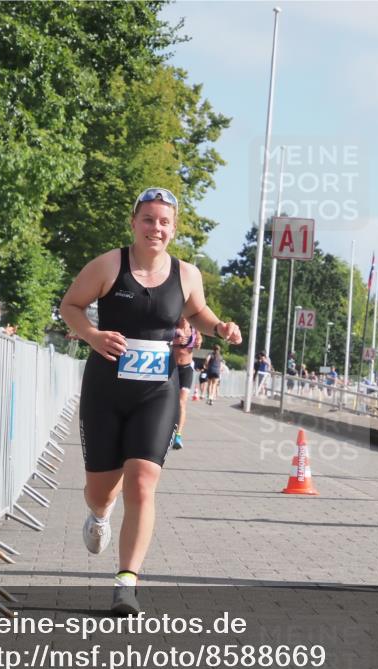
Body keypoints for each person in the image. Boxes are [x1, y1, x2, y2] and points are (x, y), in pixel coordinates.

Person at [59, 187, 242, 614]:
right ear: (134, 222)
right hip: (106, 387)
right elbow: (70, 305)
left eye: (163, 222)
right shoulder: (109, 265)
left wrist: (220, 328)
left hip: (156, 390)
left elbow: (199, 313)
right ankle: (100, 515)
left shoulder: (187, 274)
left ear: (173, 229)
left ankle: (126, 581)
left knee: (142, 479)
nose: (155, 228)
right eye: (148, 219)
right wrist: (92, 334)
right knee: (101, 491)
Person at [171, 316, 202, 450]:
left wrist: (198, 342)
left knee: (182, 402)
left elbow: (199, 343)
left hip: (187, 369)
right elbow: (162, 341)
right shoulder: (173, 327)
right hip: (172, 369)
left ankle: (178, 435)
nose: (183, 317)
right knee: (168, 402)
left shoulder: (194, 329)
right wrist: (175, 341)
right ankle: (168, 430)